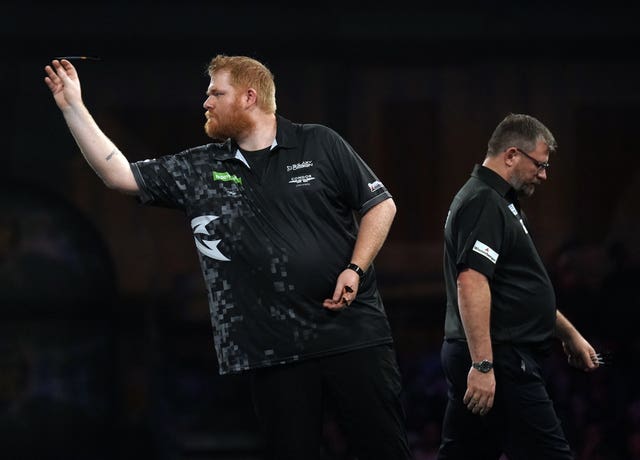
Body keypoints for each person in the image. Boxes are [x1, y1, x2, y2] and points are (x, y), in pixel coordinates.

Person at [44, 55, 412, 460]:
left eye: (216, 93)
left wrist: (356, 268)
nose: (206, 103)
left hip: (352, 336)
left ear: (249, 97)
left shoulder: (319, 143)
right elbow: (119, 175)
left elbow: (381, 205)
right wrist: (73, 107)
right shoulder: (202, 166)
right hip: (274, 350)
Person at [438, 113, 601, 459]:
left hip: (492, 354)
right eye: (539, 165)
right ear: (511, 155)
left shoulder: (501, 202)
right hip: (500, 356)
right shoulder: (484, 201)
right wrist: (483, 365)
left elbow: (517, 288)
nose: (544, 175)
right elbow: (472, 281)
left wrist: (568, 334)